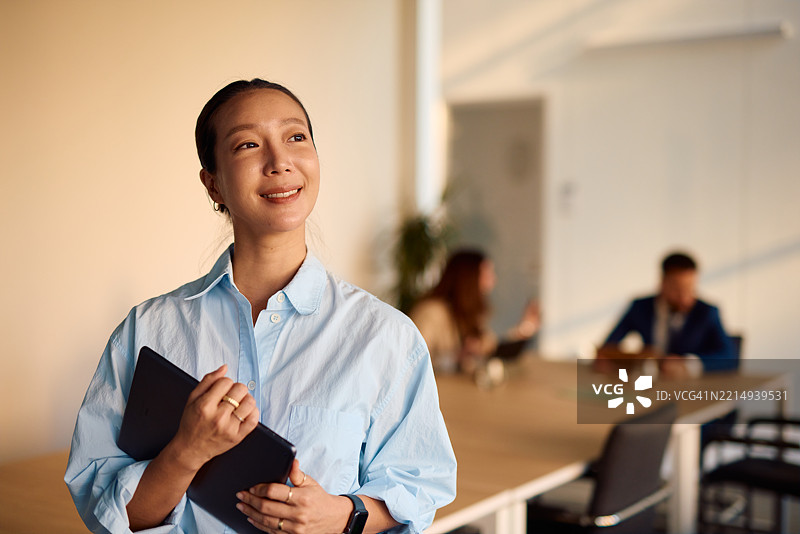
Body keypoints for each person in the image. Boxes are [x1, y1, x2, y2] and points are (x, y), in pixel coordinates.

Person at [65, 79, 457, 534]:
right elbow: (107, 515)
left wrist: (343, 515)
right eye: (248, 145)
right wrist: (186, 452)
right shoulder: (147, 331)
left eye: (296, 137)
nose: (280, 161)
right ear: (213, 184)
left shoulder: (386, 337)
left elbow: (418, 489)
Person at [598, 251, 736, 378]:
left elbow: (729, 356)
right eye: (678, 289)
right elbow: (609, 346)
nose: (685, 298)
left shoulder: (707, 312)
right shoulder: (640, 307)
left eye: (690, 289)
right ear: (663, 283)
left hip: (692, 389)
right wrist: (609, 359)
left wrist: (688, 363)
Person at [408, 249, 539, 374]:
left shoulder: (468, 312)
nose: (493, 280)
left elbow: (491, 347)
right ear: (468, 277)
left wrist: (525, 328)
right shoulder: (431, 312)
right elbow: (412, 363)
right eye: (487, 274)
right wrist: (455, 358)